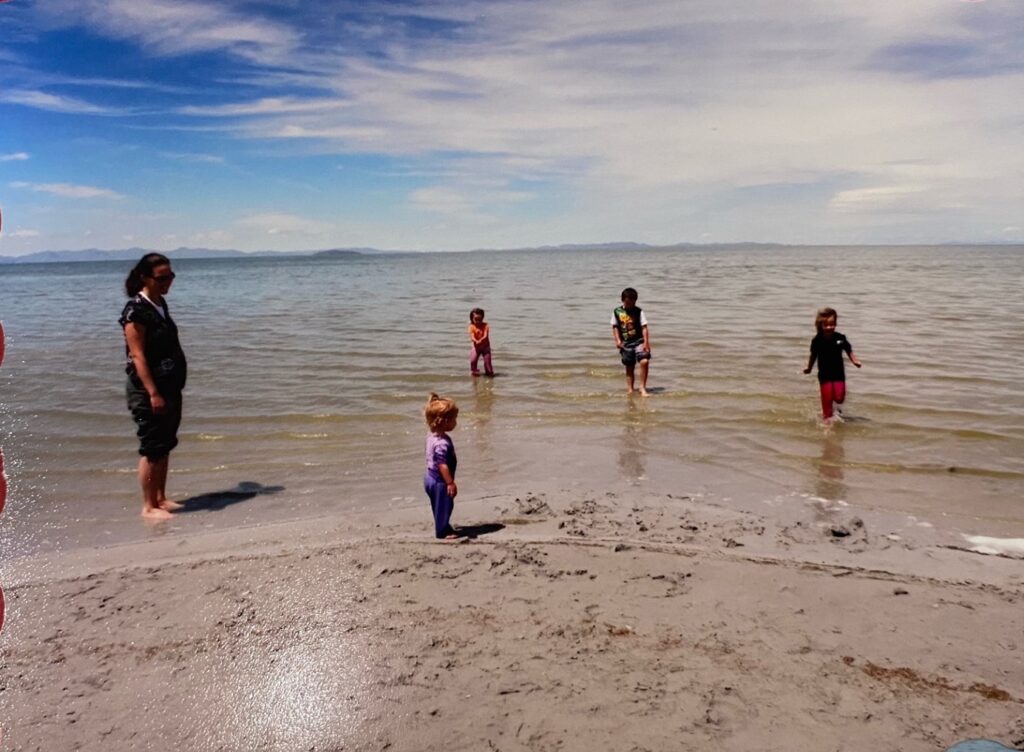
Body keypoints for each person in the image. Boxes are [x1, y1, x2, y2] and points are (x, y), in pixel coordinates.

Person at [119, 253, 187, 520]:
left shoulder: (160, 304)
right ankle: (148, 506)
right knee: (152, 447)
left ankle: (160, 497)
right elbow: (138, 356)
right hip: (148, 390)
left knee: (165, 444)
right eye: (161, 278)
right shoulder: (135, 311)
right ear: (145, 278)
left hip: (170, 387)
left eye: (170, 276)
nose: (167, 282)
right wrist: (153, 393)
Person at [803, 307, 862, 421]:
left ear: (836, 324)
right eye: (826, 325)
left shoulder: (840, 338)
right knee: (827, 404)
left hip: (838, 373)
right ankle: (827, 425)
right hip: (824, 375)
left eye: (832, 324)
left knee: (839, 398)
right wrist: (809, 367)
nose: (829, 327)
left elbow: (848, 349)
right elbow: (813, 355)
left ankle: (836, 409)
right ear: (821, 325)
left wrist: (854, 360)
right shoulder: (817, 340)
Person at [423, 393, 459, 539]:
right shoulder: (442, 443)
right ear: (443, 421)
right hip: (440, 480)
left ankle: (443, 524)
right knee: (445, 505)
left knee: (439, 505)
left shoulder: (432, 436)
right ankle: (442, 531)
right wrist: (449, 482)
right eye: (454, 419)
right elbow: (442, 464)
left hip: (429, 477)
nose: (456, 422)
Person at [611, 287, 651, 395]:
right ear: (623, 300)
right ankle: (630, 389)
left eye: (633, 302)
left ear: (635, 301)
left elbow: (644, 327)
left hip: (639, 341)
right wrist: (618, 340)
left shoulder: (639, 311)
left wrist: (646, 343)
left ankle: (642, 387)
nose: (630, 305)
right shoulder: (617, 312)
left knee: (644, 361)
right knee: (629, 366)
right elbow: (615, 327)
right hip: (626, 343)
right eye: (628, 302)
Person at [467, 307, 494, 377]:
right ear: (472, 319)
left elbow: (485, 335)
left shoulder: (485, 325)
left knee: (487, 363)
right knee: (473, 361)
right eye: (476, 319)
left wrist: (480, 340)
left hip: (485, 347)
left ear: (482, 318)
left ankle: (489, 374)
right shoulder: (471, 327)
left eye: (480, 319)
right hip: (476, 347)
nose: (478, 321)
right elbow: (472, 336)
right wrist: (475, 340)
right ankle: (474, 373)